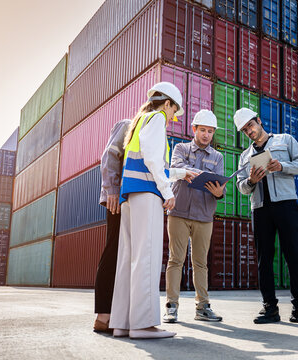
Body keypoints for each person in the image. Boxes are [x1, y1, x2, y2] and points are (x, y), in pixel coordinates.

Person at [110, 82, 198, 339]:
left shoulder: (140, 121)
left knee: (129, 259)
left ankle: (123, 323)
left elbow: (149, 163)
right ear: (167, 103)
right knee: (146, 258)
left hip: (131, 196)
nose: (173, 117)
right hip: (148, 196)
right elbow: (152, 159)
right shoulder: (157, 118)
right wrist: (168, 193)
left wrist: (182, 173)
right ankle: (143, 324)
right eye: (174, 110)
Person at [234, 108, 298, 325]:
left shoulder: (285, 140)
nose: (249, 131)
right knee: (264, 261)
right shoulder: (245, 157)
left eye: (250, 125)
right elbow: (242, 188)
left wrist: (282, 166)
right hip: (260, 209)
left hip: (286, 204)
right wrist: (251, 180)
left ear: (259, 121)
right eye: (245, 130)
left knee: (293, 256)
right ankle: (269, 309)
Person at [163, 110, 225, 323]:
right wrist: (191, 172)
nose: (207, 135)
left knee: (201, 263)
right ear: (194, 130)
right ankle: (171, 306)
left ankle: (203, 307)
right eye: (203, 130)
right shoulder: (180, 148)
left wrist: (220, 193)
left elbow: (220, 187)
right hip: (179, 212)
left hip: (204, 215)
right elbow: (176, 168)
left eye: (210, 131)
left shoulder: (218, 157)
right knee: (175, 260)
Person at [93, 118, 131, 333]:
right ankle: (103, 315)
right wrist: (112, 191)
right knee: (114, 252)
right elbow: (109, 155)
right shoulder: (127, 124)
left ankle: (117, 314)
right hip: (118, 198)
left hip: (132, 199)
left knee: (125, 256)